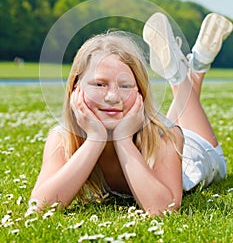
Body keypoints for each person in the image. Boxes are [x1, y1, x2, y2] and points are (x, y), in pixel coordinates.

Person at [31, 12, 233, 216]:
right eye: (99, 84)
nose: (112, 97)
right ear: (75, 88)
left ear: (141, 91)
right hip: (160, 135)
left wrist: (123, 139)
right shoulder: (62, 138)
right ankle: (195, 65)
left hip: (195, 154)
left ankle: (182, 74)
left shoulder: (167, 136)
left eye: (125, 85)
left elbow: (163, 209)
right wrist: (95, 138)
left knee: (177, 127)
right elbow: (40, 207)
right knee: (174, 113)